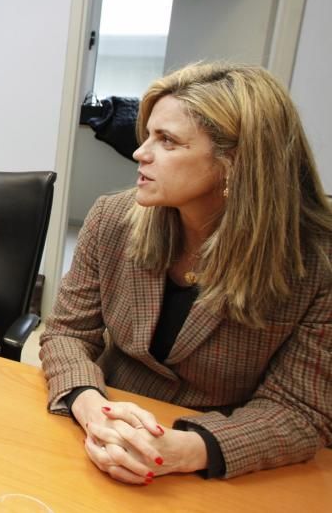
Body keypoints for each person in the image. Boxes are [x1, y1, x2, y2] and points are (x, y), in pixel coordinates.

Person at [40, 62, 332, 483]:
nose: (140, 152)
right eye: (148, 135)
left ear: (235, 162)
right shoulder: (111, 219)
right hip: (105, 432)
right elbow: (67, 333)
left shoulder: (315, 262)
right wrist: (92, 407)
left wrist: (184, 450)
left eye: (168, 141)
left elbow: (301, 410)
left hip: (222, 466)